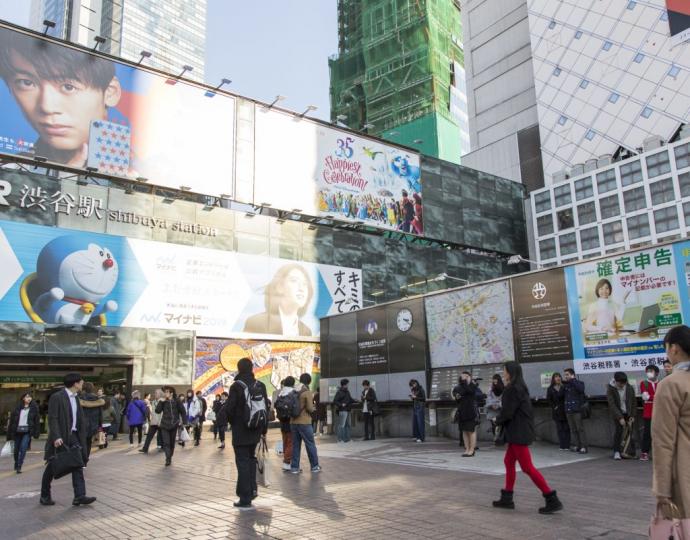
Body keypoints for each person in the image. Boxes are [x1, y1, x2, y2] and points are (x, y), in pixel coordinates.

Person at [0, 28, 125, 168]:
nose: (47, 107)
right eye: (27, 83)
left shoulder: (143, 170)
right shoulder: (10, 170)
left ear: (111, 92)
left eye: (68, 87)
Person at [492, 362, 563, 514]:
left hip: (518, 432)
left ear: (510, 373)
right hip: (518, 431)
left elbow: (508, 412)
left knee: (527, 467)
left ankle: (551, 498)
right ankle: (507, 498)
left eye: (504, 371)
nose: (503, 374)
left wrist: (496, 420)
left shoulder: (512, 389)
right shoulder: (520, 387)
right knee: (508, 461)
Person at [220, 357, 269, 509]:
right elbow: (265, 408)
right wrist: (264, 430)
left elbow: (230, 408)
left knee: (242, 462)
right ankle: (252, 490)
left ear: (239, 368)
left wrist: (228, 422)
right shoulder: (260, 384)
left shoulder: (237, 386)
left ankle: (245, 498)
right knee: (251, 460)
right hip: (256, 429)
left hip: (241, 430)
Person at [40, 373, 96, 506]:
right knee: (53, 466)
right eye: (81, 382)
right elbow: (53, 418)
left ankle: (79, 496)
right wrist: (56, 436)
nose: (82, 384)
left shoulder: (76, 398)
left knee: (77, 463)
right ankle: (44, 495)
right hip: (61, 436)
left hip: (74, 436)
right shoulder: (57, 397)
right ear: (75, 383)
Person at [652, 325, 690, 520]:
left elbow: (663, 441)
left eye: (666, 348)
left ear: (674, 348)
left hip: (684, 472)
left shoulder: (671, 384)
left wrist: (662, 489)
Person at [242, 264, 314, 337]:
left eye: (305, 284)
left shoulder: (306, 332)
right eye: (294, 280)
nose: (301, 288)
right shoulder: (257, 323)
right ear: (280, 287)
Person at [290, 374, 321, 474]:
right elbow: (310, 408)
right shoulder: (306, 391)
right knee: (310, 444)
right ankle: (314, 466)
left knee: (295, 445)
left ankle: (294, 468)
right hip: (304, 422)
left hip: (293, 422)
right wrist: (313, 407)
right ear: (309, 381)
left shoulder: (293, 390)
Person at [6, 392, 40, 473]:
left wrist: (36, 433)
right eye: (27, 396)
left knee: (23, 448)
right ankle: (16, 462)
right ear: (23, 398)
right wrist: (9, 435)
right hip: (17, 431)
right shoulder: (17, 408)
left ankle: (19, 466)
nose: (29, 398)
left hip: (27, 431)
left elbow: (36, 422)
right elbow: (12, 422)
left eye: (30, 397)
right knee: (16, 450)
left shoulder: (34, 408)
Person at [606, 371, 637, 460]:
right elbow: (612, 404)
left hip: (628, 412)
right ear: (615, 381)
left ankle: (630, 452)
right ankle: (617, 452)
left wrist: (633, 415)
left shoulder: (629, 387)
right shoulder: (611, 388)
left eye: (624, 383)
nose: (622, 385)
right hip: (618, 413)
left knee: (630, 432)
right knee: (619, 432)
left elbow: (633, 402)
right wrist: (620, 417)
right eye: (620, 383)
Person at [155, 386, 186, 466]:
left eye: (167, 392)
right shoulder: (163, 401)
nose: (165, 394)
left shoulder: (177, 401)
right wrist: (161, 402)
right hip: (164, 425)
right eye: (164, 392)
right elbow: (157, 411)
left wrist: (184, 422)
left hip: (174, 425)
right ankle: (168, 458)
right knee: (166, 443)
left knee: (172, 443)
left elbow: (183, 411)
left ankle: (170, 456)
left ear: (171, 393)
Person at [563, 368, 588, 453]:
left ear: (572, 375)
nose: (565, 376)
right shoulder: (566, 385)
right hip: (568, 410)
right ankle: (577, 445)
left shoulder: (579, 383)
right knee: (573, 429)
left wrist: (573, 380)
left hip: (577, 410)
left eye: (567, 374)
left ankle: (584, 447)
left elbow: (581, 389)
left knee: (580, 429)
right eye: (565, 375)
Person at [453, 372, 478, 456]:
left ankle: (472, 449)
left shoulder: (473, 385)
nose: (464, 378)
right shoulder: (458, 387)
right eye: (463, 376)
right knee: (464, 431)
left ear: (470, 377)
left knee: (471, 430)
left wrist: (466, 382)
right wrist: (457, 397)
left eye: (467, 376)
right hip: (462, 411)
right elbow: (456, 396)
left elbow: (470, 391)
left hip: (470, 411)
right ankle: (467, 448)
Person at [79, 382, 104, 458]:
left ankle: (81, 459)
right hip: (93, 425)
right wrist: (100, 425)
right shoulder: (97, 399)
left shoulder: (79, 398)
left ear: (83, 388)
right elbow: (100, 414)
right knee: (89, 442)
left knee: (80, 442)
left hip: (81, 424)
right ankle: (85, 459)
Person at [276, 377, 296, 471]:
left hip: (282, 420)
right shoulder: (293, 393)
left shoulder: (281, 393)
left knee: (285, 441)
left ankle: (286, 460)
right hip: (290, 420)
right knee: (291, 442)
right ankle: (287, 462)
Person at [640, 364, 659, 461]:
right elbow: (645, 397)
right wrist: (656, 397)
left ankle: (659, 452)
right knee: (647, 433)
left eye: (651, 371)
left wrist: (652, 397)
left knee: (660, 433)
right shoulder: (644, 383)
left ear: (657, 373)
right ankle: (644, 453)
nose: (649, 373)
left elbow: (664, 396)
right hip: (648, 412)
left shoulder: (661, 383)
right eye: (648, 371)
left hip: (660, 412)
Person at [546, 373, 570, 451]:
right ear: (553, 379)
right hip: (557, 411)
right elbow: (549, 400)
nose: (558, 378)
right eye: (556, 377)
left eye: (559, 376)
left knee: (566, 428)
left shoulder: (564, 386)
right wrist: (554, 407)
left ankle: (567, 445)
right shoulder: (550, 388)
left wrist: (563, 385)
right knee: (560, 429)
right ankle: (562, 445)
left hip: (565, 409)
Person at [140, 389, 164, 454]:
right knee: (149, 436)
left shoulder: (163, 401)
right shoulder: (153, 402)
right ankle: (145, 448)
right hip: (154, 421)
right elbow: (152, 412)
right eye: (155, 393)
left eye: (156, 393)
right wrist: (151, 420)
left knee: (162, 436)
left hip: (160, 421)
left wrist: (160, 422)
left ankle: (163, 448)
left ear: (160, 394)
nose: (155, 394)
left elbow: (162, 413)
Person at [333, 378, 355, 443]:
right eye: (347, 384)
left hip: (347, 410)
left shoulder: (347, 391)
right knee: (341, 425)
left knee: (347, 425)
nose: (348, 385)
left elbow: (350, 399)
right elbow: (335, 401)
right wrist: (341, 405)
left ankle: (347, 439)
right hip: (342, 410)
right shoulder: (339, 392)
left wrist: (356, 400)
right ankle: (340, 439)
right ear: (344, 385)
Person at [486, 374, 504, 442]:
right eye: (494, 382)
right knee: (493, 424)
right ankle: (496, 439)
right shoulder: (491, 389)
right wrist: (492, 405)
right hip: (492, 409)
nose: (495, 383)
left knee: (501, 424)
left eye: (496, 382)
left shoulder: (504, 388)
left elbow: (504, 398)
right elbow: (488, 398)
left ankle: (500, 438)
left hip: (500, 409)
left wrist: (498, 405)